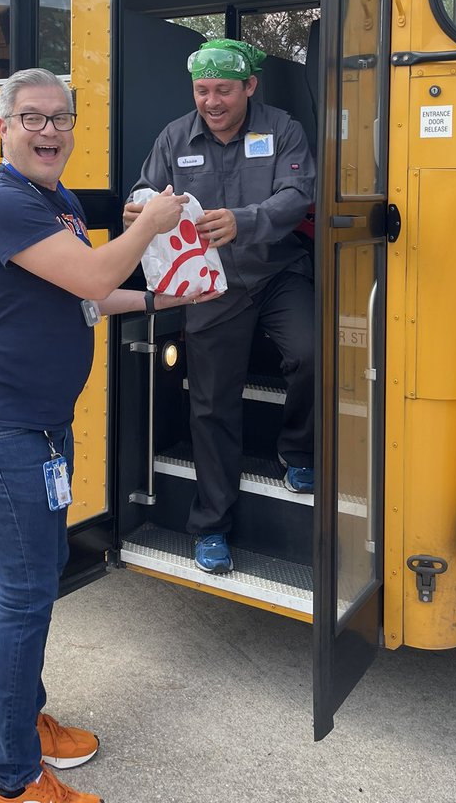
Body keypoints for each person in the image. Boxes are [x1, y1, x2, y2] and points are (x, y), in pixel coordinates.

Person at [0, 67, 215, 803]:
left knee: (33, 591)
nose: (48, 133)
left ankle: (24, 722)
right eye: (31, 119)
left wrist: (168, 291)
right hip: (1, 432)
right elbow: (97, 276)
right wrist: (149, 228)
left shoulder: (56, 200)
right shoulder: (2, 201)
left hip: (39, 428)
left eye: (60, 119)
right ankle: (11, 780)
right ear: (3, 128)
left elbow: (89, 297)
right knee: (28, 596)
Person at [124, 38, 316, 576]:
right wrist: (139, 208)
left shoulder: (281, 130)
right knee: (211, 403)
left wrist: (246, 220)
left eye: (224, 90)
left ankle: (297, 453)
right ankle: (211, 528)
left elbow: (298, 193)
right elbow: (147, 187)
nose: (212, 101)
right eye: (203, 89)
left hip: (277, 272)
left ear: (249, 87)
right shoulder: (173, 137)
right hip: (210, 285)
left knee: (311, 353)